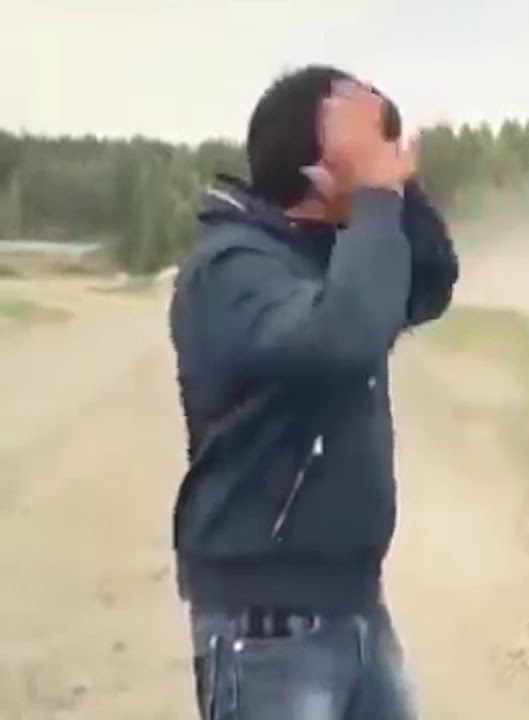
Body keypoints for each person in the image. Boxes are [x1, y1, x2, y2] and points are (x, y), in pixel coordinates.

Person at [168, 65, 459, 720]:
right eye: (354, 130)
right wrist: (375, 196)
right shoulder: (230, 267)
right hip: (265, 631)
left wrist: (398, 186)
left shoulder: (326, 253)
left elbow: (430, 284)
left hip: (355, 610)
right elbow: (344, 339)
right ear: (311, 168)